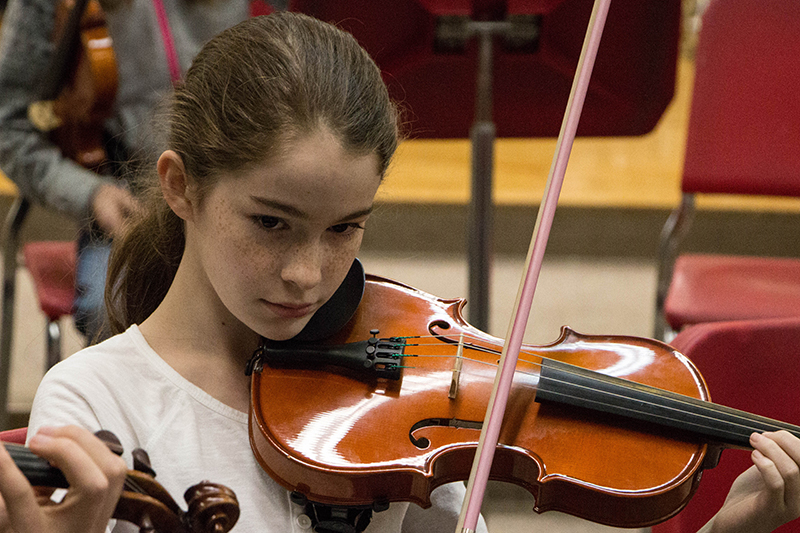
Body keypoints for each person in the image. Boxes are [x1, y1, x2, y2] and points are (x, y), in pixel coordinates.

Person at [0, 10, 799, 533]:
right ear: (180, 186)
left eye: (345, 228)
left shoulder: (395, 401)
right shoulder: (97, 403)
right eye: (271, 223)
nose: (309, 273)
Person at [0, 0, 260, 340]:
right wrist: (90, 193)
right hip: (130, 204)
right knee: (115, 317)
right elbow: (9, 127)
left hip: (244, 193)